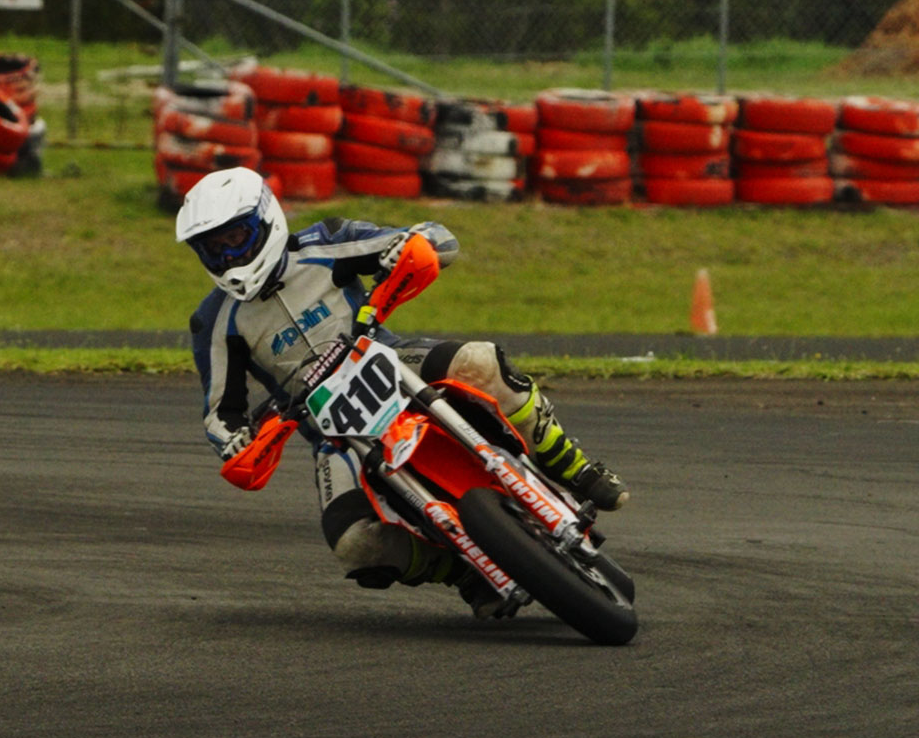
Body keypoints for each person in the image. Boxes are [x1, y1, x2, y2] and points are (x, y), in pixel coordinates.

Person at [176, 165, 629, 618]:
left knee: (481, 362)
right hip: (332, 432)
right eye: (212, 248)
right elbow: (220, 411)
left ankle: (570, 464)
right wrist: (233, 439)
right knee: (354, 543)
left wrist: (411, 245)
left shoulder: (327, 242)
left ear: (266, 220)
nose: (227, 256)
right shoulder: (213, 321)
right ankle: (463, 571)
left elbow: (436, 238)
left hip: (390, 362)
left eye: (235, 238)